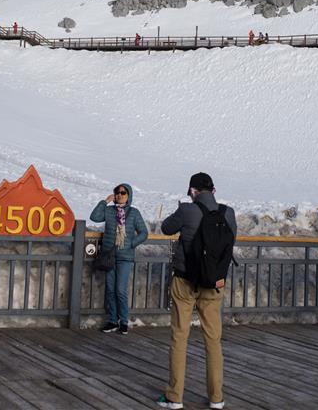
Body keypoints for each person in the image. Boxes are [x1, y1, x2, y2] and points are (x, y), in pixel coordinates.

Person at [158, 173, 236, 410]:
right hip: (214, 283)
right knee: (213, 340)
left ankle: (174, 397)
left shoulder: (187, 210)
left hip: (185, 280)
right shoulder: (228, 213)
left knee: (179, 337)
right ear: (213, 190)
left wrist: (184, 212)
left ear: (193, 191)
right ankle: (216, 398)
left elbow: (165, 228)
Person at [90, 184, 148, 334]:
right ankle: (112, 321)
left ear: (129, 196)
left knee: (120, 290)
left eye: (123, 193)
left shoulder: (134, 213)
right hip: (110, 256)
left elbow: (143, 233)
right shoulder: (109, 211)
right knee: (110, 290)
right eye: (117, 192)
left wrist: (130, 244)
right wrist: (105, 201)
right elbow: (94, 217)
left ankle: (123, 322)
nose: (120, 195)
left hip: (125, 257)